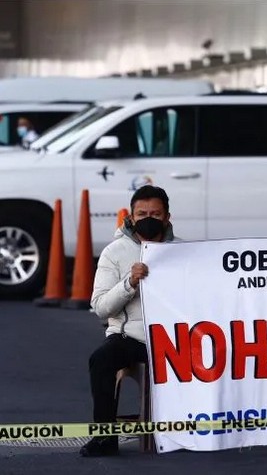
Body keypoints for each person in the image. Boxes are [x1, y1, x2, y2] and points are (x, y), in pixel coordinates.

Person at [79, 185, 176, 457]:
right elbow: (100, 307)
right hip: (131, 338)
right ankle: (105, 438)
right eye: (142, 213)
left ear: (167, 217)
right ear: (131, 217)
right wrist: (130, 282)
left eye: (155, 214)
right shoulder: (115, 252)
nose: (148, 218)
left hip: (174, 339)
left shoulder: (182, 251)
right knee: (101, 359)